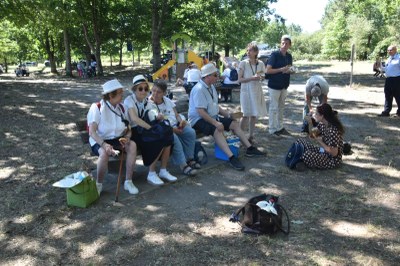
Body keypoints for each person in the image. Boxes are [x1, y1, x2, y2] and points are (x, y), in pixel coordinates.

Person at [188, 63, 266, 171]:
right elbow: (200, 111)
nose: (218, 77)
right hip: (198, 120)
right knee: (217, 129)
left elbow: (215, 106)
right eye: (215, 75)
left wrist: (228, 115)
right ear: (207, 76)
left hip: (211, 116)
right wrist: (216, 123)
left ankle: (249, 148)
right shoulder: (199, 89)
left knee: (233, 123)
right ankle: (231, 157)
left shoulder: (211, 87)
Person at [87, 79, 138, 195]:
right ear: (111, 95)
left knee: (133, 145)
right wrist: (104, 145)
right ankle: (98, 184)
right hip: (99, 139)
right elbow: (92, 132)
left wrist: (128, 138)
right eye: (120, 93)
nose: (122, 95)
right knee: (104, 154)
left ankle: (128, 181)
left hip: (117, 138)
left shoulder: (122, 108)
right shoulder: (97, 107)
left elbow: (128, 129)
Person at [124, 75, 177, 186]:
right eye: (140, 88)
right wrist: (150, 128)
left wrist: (157, 116)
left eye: (146, 89)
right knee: (156, 138)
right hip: (133, 131)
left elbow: (151, 112)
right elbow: (134, 119)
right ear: (134, 90)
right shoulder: (129, 100)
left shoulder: (146, 101)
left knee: (167, 136)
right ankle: (151, 173)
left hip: (142, 129)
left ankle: (163, 170)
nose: (143, 91)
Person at [149, 79, 199, 176]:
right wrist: (173, 130)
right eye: (153, 90)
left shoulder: (167, 101)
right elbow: (158, 124)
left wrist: (181, 122)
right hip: (164, 130)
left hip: (175, 126)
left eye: (158, 92)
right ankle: (183, 165)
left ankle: (189, 158)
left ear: (164, 93)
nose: (155, 94)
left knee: (190, 132)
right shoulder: (149, 104)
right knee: (173, 137)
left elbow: (176, 115)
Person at [295, 103, 345, 170]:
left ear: (322, 116)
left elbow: (334, 153)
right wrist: (310, 123)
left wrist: (320, 141)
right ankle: (302, 161)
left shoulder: (333, 130)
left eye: (316, 114)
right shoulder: (323, 124)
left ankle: (302, 161)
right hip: (324, 151)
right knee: (299, 142)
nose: (314, 115)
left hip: (332, 160)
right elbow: (312, 133)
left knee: (307, 155)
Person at [238, 43, 268, 143]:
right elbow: (239, 79)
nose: (248, 52)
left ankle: (251, 136)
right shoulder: (243, 63)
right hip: (246, 91)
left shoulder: (261, 64)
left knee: (254, 115)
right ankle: (239, 136)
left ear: (256, 52)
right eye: (247, 50)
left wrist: (261, 77)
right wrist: (252, 78)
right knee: (245, 114)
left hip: (256, 90)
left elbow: (263, 76)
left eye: (250, 50)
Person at [265, 35, 293, 136]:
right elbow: (267, 70)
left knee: (281, 107)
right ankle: (272, 129)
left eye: (287, 43)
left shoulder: (289, 56)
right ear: (280, 43)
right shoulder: (274, 55)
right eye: (283, 43)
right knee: (273, 108)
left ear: (290, 45)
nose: (284, 45)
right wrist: (281, 69)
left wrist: (291, 71)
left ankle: (280, 127)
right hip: (274, 86)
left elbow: (288, 68)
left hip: (284, 85)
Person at [378, 45, 400, 117]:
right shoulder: (389, 59)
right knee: (388, 95)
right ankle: (386, 111)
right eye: (388, 50)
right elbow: (386, 69)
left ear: (395, 50)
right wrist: (380, 67)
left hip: (397, 79)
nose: (389, 52)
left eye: (391, 50)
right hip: (388, 79)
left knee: (398, 96)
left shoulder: (399, 58)